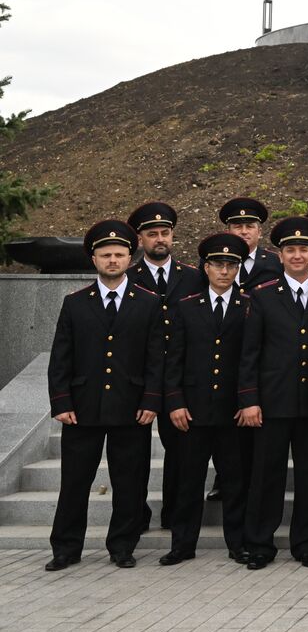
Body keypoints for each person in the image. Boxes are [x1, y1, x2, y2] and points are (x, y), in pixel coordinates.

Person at [45, 220, 164, 571]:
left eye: (119, 254)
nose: (113, 260)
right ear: (94, 259)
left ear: (131, 257)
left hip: (131, 407)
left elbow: (156, 357)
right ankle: (66, 548)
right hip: (83, 409)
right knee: (74, 482)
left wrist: (151, 400)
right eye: (105, 255)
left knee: (129, 482)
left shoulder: (149, 302)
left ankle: (123, 545)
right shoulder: (76, 303)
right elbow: (60, 358)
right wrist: (61, 402)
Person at [238, 216, 308, 570]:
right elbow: (249, 353)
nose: (297, 255)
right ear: (280, 255)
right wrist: (249, 399)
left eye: (303, 249)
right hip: (272, 402)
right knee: (267, 476)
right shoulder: (262, 296)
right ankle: (260, 544)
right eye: (290, 249)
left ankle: (306, 544)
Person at [160, 233, 251, 566]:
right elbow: (174, 360)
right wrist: (175, 402)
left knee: (235, 481)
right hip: (194, 410)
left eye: (231, 265)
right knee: (188, 481)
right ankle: (183, 544)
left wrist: (247, 401)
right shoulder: (186, 306)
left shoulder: (249, 305)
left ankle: (238, 543)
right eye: (217, 265)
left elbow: (250, 359)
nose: (224, 271)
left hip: (232, 412)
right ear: (206, 267)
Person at [125, 201, 201, 530]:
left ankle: (174, 514)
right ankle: (135, 515)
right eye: (152, 234)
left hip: (180, 378)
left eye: (165, 233)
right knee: (133, 455)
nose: (160, 239)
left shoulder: (194, 277)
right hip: (137, 377)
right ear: (140, 239)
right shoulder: (128, 277)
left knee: (181, 449)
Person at [220, 197, 279, 292]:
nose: (244, 231)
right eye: (238, 227)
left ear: (259, 232)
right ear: (228, 232)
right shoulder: (214, 262)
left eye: (249, 226)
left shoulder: (276, 262)